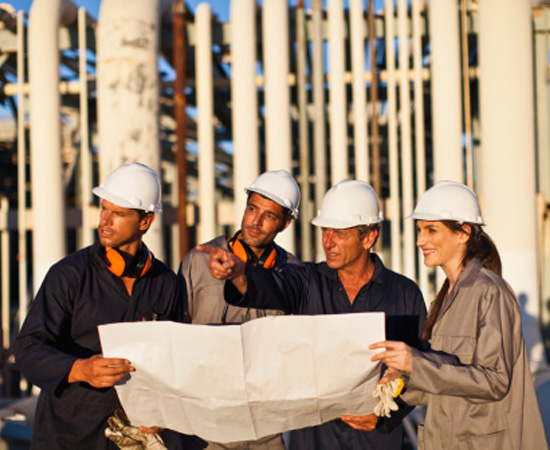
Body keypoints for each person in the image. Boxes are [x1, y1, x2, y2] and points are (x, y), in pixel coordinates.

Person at [199, 179, 427, 450]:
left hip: (375, 441)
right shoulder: (307, 281)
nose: (328, 242)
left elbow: (421, 371)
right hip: (315, 440)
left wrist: (388, 411)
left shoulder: (404, 294)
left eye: (340, 233)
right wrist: (239, 273)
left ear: (369, 237)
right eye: (325, 231)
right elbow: (273, 286)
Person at [14, 163, 185, 449]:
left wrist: (162, 413)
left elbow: (174, 360)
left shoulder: (166, 282)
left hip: (133, 438)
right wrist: (79, 368)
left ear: (145, 222)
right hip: (68, 436)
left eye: (118, 213)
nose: (105, 220)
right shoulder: (69, 274)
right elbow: (29, 347)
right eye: (104, 208)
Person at [370, 180, 548, 450]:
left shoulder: (490, 292)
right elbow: (444, 381)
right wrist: (399, 382)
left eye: (431, 230)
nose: (420, 241)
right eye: (419, 230)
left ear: (463, 233)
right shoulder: (444, 299)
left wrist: (416, 362)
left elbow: (495, 381)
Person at [178, 169, 301, 449]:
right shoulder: (197, 262)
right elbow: (177, 335)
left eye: (269, 216)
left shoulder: (294, 273)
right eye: (252, 209)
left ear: (285, 224)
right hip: (207, 423)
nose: (255, 222)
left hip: (266, 427)